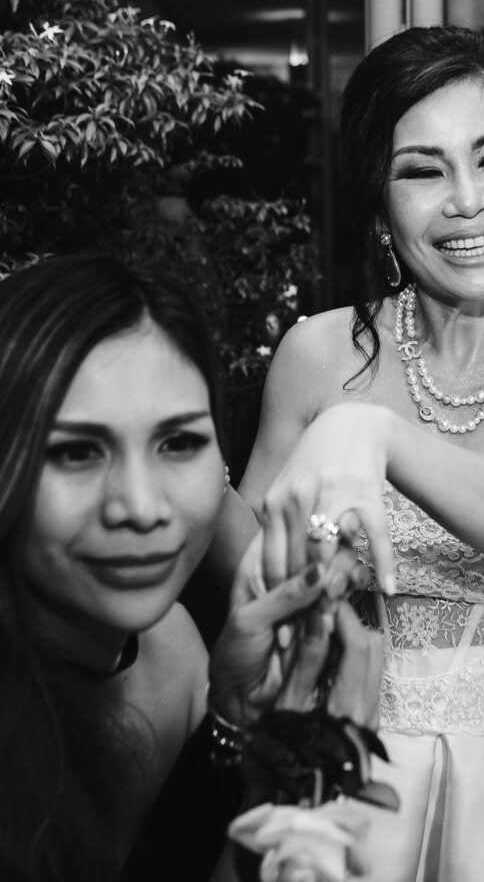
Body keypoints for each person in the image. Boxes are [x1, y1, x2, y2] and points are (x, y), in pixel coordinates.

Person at [227, 26, 484, 881]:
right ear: (380, 207)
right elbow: (245, 566)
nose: (467, 201)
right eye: (422, 170)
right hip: (334, 775)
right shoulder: (316, 355)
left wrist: (371, 434)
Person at [0, 253, 382, 882]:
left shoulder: (174, 649)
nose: (142, 507)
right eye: (75, 451)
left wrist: (258, 738)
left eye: (179, 443)